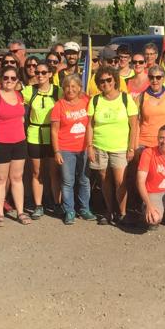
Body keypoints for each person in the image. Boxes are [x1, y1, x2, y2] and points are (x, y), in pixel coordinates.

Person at [87, 66, 138, 225]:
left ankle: (122, 213)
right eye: (101, 81)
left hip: (120, 147)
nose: (105, 83)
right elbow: (90, 125)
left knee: (120, 182)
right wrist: (89, 146)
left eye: (109, 79)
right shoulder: (95, 100)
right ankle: (109, 211)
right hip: (99, 145)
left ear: (115, 80)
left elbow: (134, 125)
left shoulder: (126, 99)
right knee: (104, 180)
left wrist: (131, 148)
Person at [0, 68, 28, 226]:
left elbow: (21, 117)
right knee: (0, 179)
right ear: (1, 78)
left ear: (17, 80)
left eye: (13, 78)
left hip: (19, 142)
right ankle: (0, 214)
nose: (9, 80)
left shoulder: (19, 95)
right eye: (6, 77)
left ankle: (20, 211)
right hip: (0, 143)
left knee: (17, 178)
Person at [51, 74, 95, 225]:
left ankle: (84, 209)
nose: (70, 89)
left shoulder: (87, 101)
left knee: (84, 180)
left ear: (79, 88)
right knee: (68, 181)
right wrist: (56, 151)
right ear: (63, 89)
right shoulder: (59, 105)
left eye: (74, 86)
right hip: (66, 149)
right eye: (67, 87)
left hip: (84, 148)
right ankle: (69, 210)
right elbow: (54, 131)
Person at [22, 62, 61, 218]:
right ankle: (39, 205)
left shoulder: (58, 91)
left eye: (44, 72)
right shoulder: (29, 91)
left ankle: (57, 204)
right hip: (34, 134)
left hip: (53, 136)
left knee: (54, 172)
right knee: (37, 172)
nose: (40, 75)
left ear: (50, 74)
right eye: (37, 72)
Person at [136, 65, 165, 150]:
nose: (155, 80)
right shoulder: (140, 97)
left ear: (163, 79)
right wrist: (134, 146)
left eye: (158, 77)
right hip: (144, 143)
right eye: (151, 77)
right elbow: (136, 123)